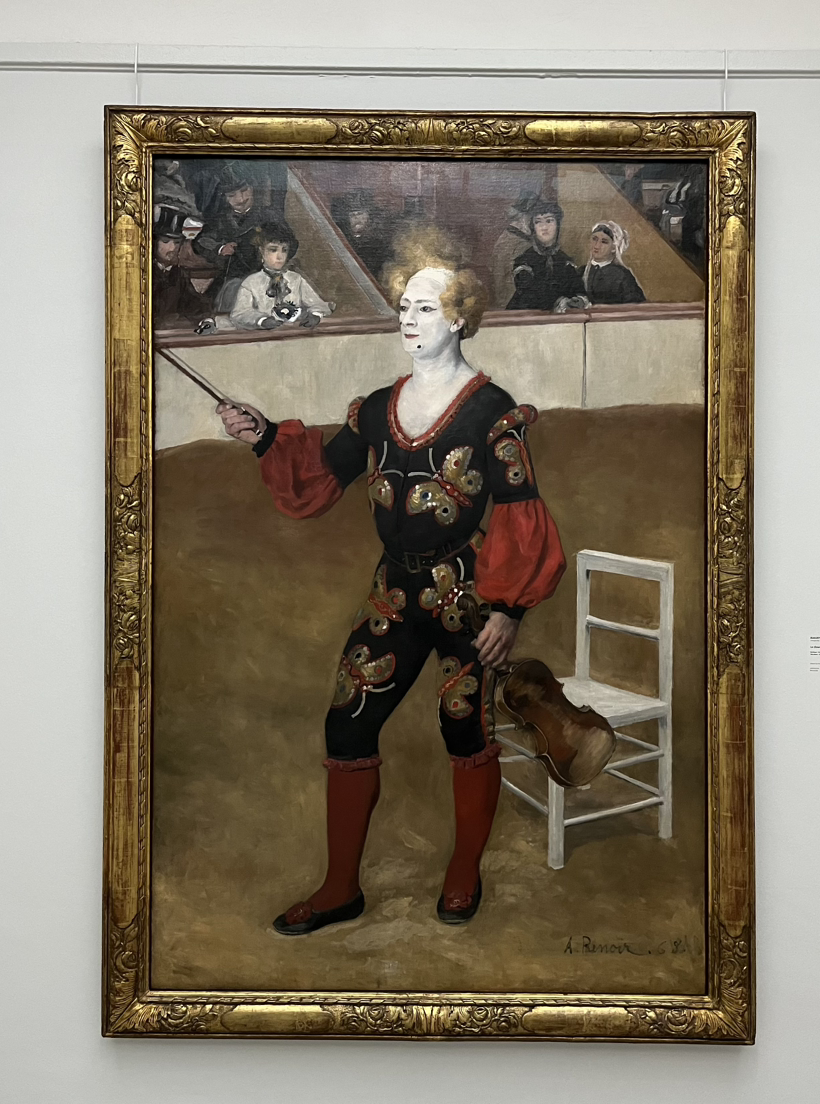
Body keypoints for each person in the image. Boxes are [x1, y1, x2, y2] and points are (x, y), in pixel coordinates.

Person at [217, 229, 565, 934]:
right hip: (394, 594)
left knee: (463, 724)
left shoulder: (492, 410)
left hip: (468, 597)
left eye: (425, 308)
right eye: (404, 306)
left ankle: (463, 872)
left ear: (459, 318)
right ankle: (340, 888)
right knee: (347, 723)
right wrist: (262, 435)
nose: (408, 319)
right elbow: (322, 478)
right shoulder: (377, 407)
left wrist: (508, 611)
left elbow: (520, 513)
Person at [195, 165, 298, 312]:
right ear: (225, 197)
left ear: (252, 189)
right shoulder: (220, 219)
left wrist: (273, 254)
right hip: (232, 279)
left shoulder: (270, 215)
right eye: (232, 195)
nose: (241, 199)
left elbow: (291, 242)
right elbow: (200, 241)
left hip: (267, 278)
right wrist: (220, 248)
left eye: (244, 191)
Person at [230, 222, 334, 331]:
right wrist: (262, 320)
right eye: (273, 250)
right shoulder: (251, 282)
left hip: (292, 332)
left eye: (284, 250)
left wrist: (316, 315)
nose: (279, 256)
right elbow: (239, 313)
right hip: (262, 335)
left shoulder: (295, 279)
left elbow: (317, 303)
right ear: (261, 251)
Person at [506, 201, 586, 312]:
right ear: (533, 228)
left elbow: (577, 288)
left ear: (557, 225)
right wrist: (558, 301)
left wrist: (579, 300)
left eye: (549, 221)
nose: (544, 227)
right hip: (526, 316)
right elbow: (529, 293)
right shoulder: (524, 261)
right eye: (538, 222)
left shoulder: (565, 261)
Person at [151, 206, 213, 329]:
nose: (172, 248)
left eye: (177, 242)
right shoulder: (144, 273)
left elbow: (194, 302)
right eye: (165, 241)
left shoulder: (178, 273)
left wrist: (206, 319)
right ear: (154, 242)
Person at [489, 191, 537, 308]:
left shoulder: (507, 237)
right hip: (512, 306)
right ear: (526, 216)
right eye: (536, 218)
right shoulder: (519, 244)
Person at [581, 221, 646, 304]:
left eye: (604, 242)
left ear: (614, 248)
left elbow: (636, 305)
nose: (597, 246)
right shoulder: (581, 271)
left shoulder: (622, 275)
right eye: (594, 239)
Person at [332, 187, 390, 278]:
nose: (356, 218)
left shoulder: (379, 242)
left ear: (368, 215)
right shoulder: (343, 240)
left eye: (360, 214)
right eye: (352, 215)